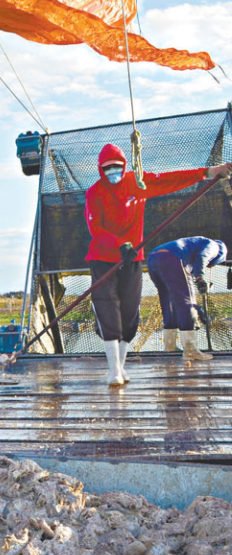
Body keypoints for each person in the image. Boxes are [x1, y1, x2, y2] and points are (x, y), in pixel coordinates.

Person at [84, 143, 231, 387]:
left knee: (130, 313)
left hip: (134, 258)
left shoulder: (137, 184)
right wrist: (119, 244)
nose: (113, 172)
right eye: (107, 168)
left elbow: (171, 180)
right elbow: (96, 228)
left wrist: (209, 172)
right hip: (103, 259)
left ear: (124, 166)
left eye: (117, 167)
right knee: (108, 310)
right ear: (100, 169)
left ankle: (121, 366)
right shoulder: (94, 192)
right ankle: (113, 371)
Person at [147, 236, 227, 360]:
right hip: (172, 257)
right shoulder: (214, 246)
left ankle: (170, 346)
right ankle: (190, 350)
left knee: (169, 301)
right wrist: (199, 277)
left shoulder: (194, 244)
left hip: (153, 258)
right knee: (187, 301)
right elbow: (202, 256)